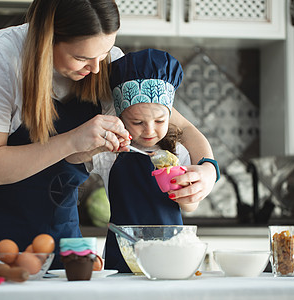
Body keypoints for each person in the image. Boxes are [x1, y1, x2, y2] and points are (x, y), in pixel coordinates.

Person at [0, 0, 217, 269]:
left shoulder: (106, 64)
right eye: (82, 57)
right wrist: (72, 140)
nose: (97, 68)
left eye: (104, 53)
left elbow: (183, 127)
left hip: (58, 244)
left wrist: (207, 170)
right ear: (47, 37)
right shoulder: (0, 56)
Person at [89, 48, 217, 272]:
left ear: (170, 115)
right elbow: (75, 163)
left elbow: (191, 207)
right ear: (121, 117)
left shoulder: (179, 152)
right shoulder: (110, 154)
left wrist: (186, 188)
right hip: (123, 257)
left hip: (172, 254)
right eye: (137, 122)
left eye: (159, 120)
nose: (149, 131)